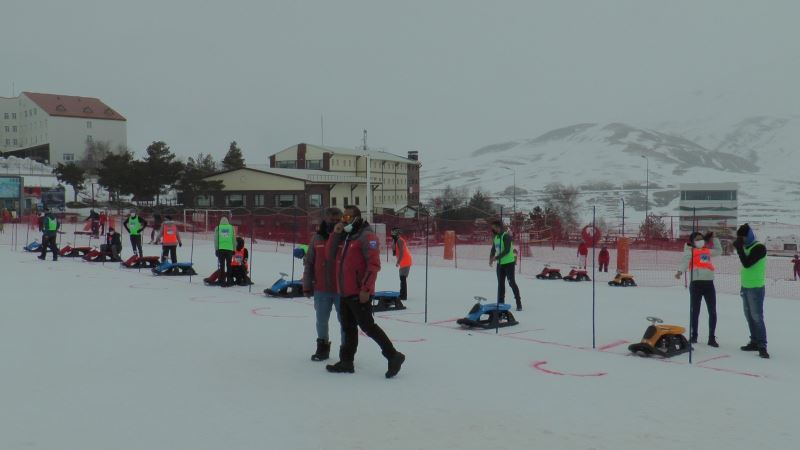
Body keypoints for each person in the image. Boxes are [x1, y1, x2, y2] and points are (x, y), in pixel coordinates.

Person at [325, 206, 405, 378]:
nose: (344, 220)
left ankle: (393, 355)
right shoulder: (346, 236)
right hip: (344, 291)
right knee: (348, 328)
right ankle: (346, 362)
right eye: (343, 217)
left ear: (357, 218)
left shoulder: (366, 236)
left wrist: (366, 289)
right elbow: (329, 255)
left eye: (347, 216)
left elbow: (374, 265)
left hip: (359, 291)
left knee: (368, 326)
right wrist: (335, 233)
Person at [303, 208, 344, 361]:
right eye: (331, 219)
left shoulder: (346, 237)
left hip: (342, 289)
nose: (333, 222)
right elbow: (309, 262)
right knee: (321, 321)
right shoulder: (317, 238)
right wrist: (307, 284)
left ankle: (345, 351)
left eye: (336, 220)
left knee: (344, 322)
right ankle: (322, 348)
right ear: (325, 219)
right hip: (321, 288)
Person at [675, 231, 722, 347]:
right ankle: (694, 335)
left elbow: (719, 251)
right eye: (697, 239)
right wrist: (680, 271)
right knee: (695, 311)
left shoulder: (707, 251)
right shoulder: (690, 251)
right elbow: (685, 261)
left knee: (712, 311)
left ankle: (712, 337)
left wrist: (715, 239)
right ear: (692, 241)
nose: (700, 241)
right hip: (696, 285)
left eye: (701, 238)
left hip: (709, 284)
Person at [733, 223, 769, 359]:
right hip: (745, 287)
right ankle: (754, 341)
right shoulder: (745, 246)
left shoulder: (759, 248)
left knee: (757, 317)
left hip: (756, 288)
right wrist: (740, 247)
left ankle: (762, 345)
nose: (741, 240)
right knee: (749, 316)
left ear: (748, 235)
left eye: (743, 237)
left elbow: (747, 263)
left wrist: (739, 249)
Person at [489, 220, 522, 311]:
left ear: (498, 227)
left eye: (494, 228)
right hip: (500, 265)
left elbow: (507, 250)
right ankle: (501, 304)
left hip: (509, 264)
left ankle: (518, 302)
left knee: (511, 283)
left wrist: (496, 257)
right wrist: (491, 258)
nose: (492, 229)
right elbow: (493, 249)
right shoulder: (496, 237)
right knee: (500, 284)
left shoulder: (506, 236)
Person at [214, 216, 236, 287]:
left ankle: (222, 280)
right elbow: (234, 239)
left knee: (222, 265)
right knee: (229, 265)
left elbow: (216, 240)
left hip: (221, 249)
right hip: (229, 249)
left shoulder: (218, 227)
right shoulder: (231, 228)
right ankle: (229, 280)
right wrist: (234, 249)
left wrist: (216, 249)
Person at [391, 228, 413, 300]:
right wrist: (393, 244)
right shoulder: (396, 240)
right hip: (403, 262)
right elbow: (394, 253)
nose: (392, 234)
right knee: (402, 278)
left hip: (405, 261)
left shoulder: (400, 240)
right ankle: (402, 294)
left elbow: (401, 253)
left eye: (393, 233)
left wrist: (398, 262)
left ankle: (403, 296)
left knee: (402, 278)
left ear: (397, 233)